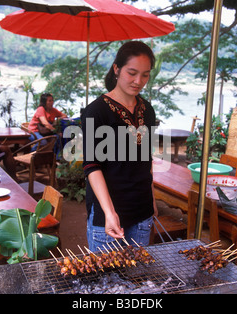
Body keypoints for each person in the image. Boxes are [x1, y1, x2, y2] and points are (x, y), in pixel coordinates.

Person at [81, 41, 158, 252]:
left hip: (142, 211)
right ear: (117, 68)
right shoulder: (96, 112)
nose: (138, 81)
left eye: (145, 75)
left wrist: (152, 201)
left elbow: (146, 160)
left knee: (136, 279)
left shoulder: (147, 110)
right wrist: (109, 212)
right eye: (132, 72)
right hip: (109, 214)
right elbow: (92, 166)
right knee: (105, 282)